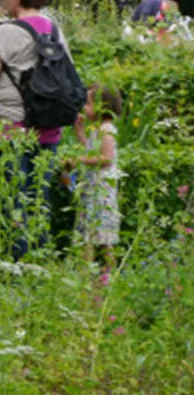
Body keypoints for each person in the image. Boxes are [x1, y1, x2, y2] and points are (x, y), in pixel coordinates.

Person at [0, 0, 70, 258]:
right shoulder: (55, 30)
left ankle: (16, 265)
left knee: (12, 200)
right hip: (49, 127)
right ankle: (39, 262)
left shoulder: (6, 32)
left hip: (10, 127)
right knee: (39, 199)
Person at [65, 84, 122, 266]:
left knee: (94, 235)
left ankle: (88, 274)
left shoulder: (106, 130)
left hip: (101, 191)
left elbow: (106, 158)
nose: (84, 107)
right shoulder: (98, 129)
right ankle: (108, 275)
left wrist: (78, 159)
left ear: (102, 106)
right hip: (94, 188)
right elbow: (92, 151)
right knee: (99, 236)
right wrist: (80, 132)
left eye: (88, 104)